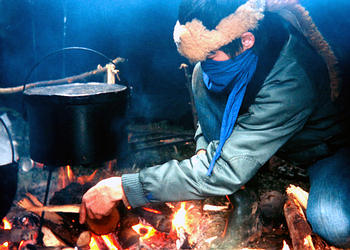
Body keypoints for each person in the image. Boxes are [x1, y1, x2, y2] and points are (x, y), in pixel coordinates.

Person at [79, 0, 350, 247]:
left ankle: (235, 176)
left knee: (333, 222)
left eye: (210, 55)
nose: (203, 63)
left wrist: (124, 187)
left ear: (246, 40)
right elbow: (210, 116)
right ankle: (242, 197)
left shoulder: (292, 79)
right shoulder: (219, 65)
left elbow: (225, 168)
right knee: (202, 77)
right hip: (278, 141)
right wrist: (203, 152)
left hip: (326, 151)